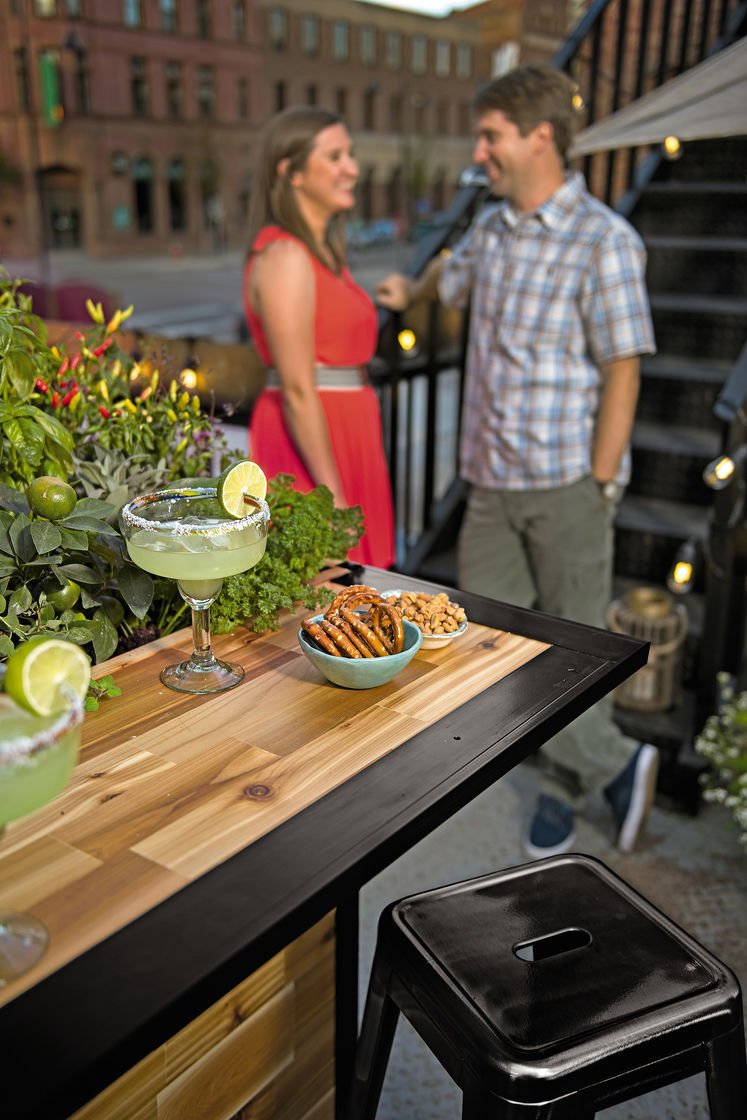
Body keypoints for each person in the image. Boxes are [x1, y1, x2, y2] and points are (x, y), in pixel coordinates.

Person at [376, 65, 658, 856]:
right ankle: (614, 759)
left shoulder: (604, 240)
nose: (479, 151)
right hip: (489, 484)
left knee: (571, 650)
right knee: (486, 646)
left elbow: (623, 368)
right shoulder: (490, 230)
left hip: (567, 481)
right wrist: (410, 291)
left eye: (491, 135)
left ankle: (570, 790)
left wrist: (601, 481)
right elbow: (450, 282)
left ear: (539, 137)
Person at [244, 106, 395, 569]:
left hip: (348, 428)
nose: (352, 168)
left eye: (349, 154)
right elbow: (296, 388)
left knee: (358, 596)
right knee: (322, 595)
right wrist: (331, 497)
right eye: (335, 157)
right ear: (291, 172)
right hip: (311, 436)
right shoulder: (286, 254)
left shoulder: (323, 250)